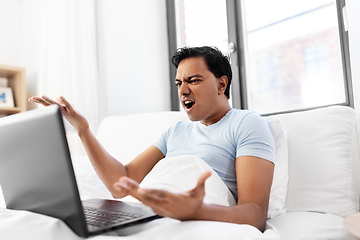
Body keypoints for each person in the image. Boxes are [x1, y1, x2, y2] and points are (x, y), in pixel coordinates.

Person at [29, 46, 275, 232]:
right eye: (179, 82)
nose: (183, 90)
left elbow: (255, 215)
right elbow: (120, 183)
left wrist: (197, 210)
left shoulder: (246, 123)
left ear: (222, 84)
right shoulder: (174, 131)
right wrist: (83, 130)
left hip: (197, 216)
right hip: (149, 213)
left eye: (194, 80)